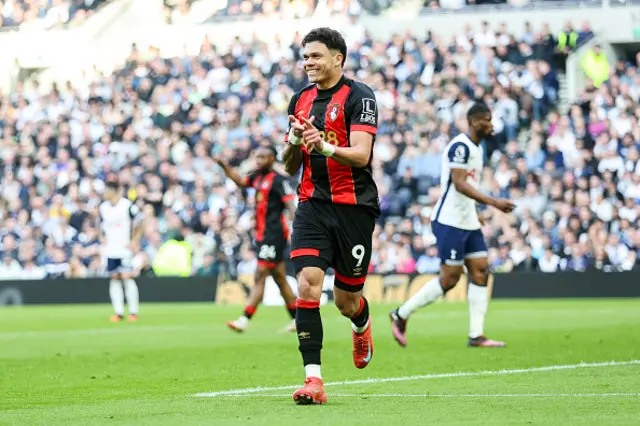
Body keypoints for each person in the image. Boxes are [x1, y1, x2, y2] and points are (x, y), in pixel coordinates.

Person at [282, 27, 380, 405]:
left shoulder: (359, 96)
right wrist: (293, 141)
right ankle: (313, 380)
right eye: (305, 56)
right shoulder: (299, 100)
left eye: (316, 56)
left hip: (354, 209)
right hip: (311, 205)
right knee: (307, 283)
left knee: (345, 301)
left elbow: (362, 154)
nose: (308, 63)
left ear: (337, 58)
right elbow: (290, 164)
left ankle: (361, 320)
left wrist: (322, 144)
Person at [389, 103, 516, 348]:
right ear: (473, 121)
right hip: (449, 221)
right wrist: (493, 203)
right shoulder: (460, 147)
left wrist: (475, 211)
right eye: (486, 120)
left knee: (480, 270)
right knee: (450, 279)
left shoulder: (479, 149)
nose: (491, 124)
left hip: (467, 219)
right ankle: (401, 313)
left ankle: (476, 335)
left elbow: (466, 188)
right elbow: (458, 184)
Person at [215, 145, 298, 333]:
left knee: (260, 275)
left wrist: (298, 226)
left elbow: (290, 205)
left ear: (272, 159)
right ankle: (298, 319)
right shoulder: (257, 177)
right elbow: (241, 182)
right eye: (257, 157)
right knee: (279, 278)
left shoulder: (278, 181)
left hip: (274, 234)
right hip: (262, 234)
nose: (259, 160)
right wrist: (224, 166)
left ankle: (244, 319)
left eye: (263, 157)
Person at [99, 179, 143, 322]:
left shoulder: (127, 206)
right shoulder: (103, 207)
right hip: (111, 248)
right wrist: (102, 238)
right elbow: (101, 226)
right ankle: (118, 312)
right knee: (114, 278)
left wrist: (135, 240)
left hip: (124, 248)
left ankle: (133, 311)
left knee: (127, 277)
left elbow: (140, 222)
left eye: (107, 190)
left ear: (114, 191)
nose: (105, 193)